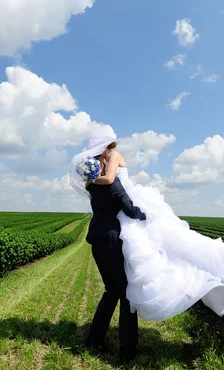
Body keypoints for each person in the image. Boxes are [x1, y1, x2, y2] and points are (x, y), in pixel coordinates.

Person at [70, 125, 224, 322]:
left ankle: (101, 338)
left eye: (100, 152)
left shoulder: (107, 167)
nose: (100, 156)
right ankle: (127, 346)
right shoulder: (106, 182)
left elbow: (110, 179)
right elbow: (116, 189)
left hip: (108, 222)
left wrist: (91, 181)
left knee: (160, 247)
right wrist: (139, 215)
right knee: (127, 285)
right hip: (119, 217)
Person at [76, 155, 146, 363]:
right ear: (103, 165)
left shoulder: (92, 187)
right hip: (112, 242)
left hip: (97, 240)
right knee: (126, 294)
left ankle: (94, 340)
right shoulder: (112, 183)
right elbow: (129, 207)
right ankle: (128, 350)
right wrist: (146, 216)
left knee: (111, 291)